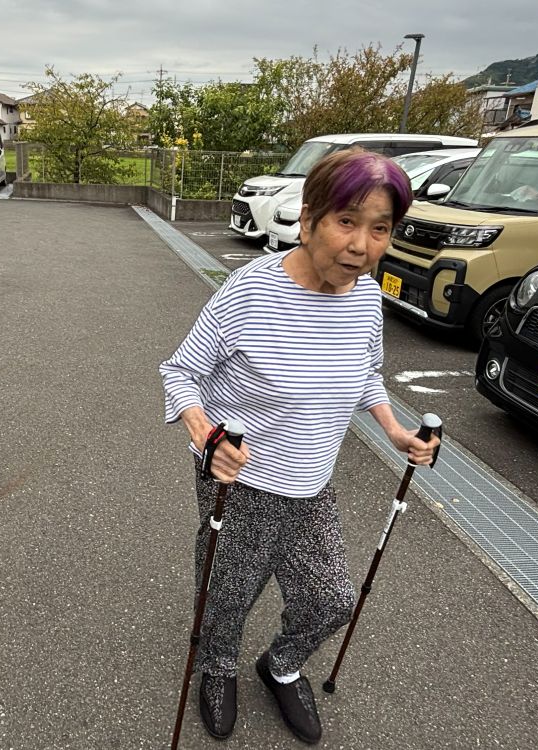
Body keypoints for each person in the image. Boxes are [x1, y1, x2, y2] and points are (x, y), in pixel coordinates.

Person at [160, 148, 440, 744]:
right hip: (241, 480)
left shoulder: (365, 296)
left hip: (312, 482)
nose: (362, 245)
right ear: (309, 218)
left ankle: (281, 666)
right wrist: (206, 435)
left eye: (380, 229)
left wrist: (393, 428)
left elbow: (364, 373)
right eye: (347, 221)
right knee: (226, 596)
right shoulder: (248, 294)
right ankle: (216, 667)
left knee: (331, 598)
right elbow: (180, 371)